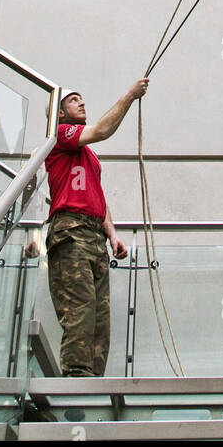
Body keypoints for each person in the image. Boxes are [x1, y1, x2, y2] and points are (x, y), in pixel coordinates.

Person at [44, 80, 149, 377]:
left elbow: (97, 198)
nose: (82, 103)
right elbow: (103, 130)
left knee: (100, 315)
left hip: (93, 235)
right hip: (70, 231)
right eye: (74, 100)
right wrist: (129, 95)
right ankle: (76, 376)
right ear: (60, 114)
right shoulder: (61, 135)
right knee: (81, 307)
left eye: (82, 98)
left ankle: (93, 377)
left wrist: (112, 234)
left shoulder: (87, 154)